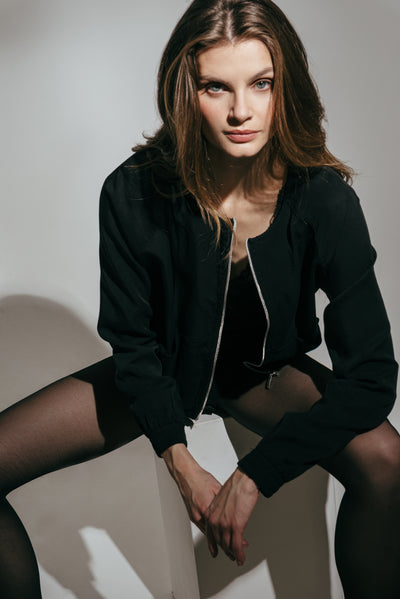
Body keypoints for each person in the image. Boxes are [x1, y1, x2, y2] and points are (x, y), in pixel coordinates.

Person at [1, 0, 399, 597]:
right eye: (217, 87)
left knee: (388, 463)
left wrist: (255, 474)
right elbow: (133, 341)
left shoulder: (322, 201)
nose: (241, 110)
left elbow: (371, 378)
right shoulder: (133, 192)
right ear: (187, 92)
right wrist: (179, 459)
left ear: (284, 85)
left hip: (261, 377)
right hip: (159, 372)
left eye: (261, 83)